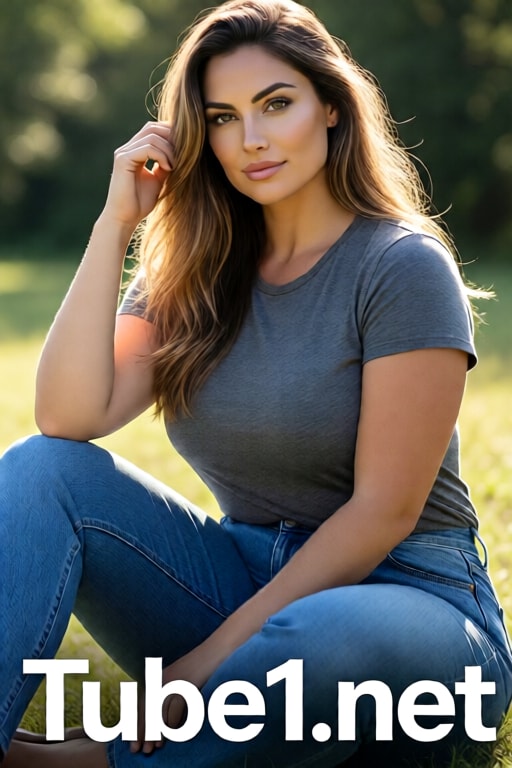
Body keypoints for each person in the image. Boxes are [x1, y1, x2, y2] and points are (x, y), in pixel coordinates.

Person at [1, 0, 511, 765]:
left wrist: (200, 669)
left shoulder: (402, 266)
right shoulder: (197, 272)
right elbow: (67, 417)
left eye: (276, 104)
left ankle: (82, 764)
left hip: (411, 604)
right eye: (223, 117)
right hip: (241, 585)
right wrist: (116, 227)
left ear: (331, 107)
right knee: (41, 471)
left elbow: (381, 514)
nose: (253, 139)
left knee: (323, 639)